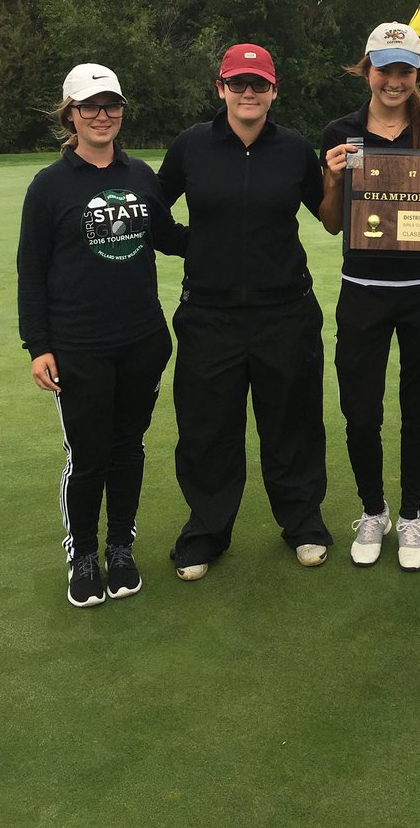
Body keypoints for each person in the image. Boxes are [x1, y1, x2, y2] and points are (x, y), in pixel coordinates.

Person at [158, 43, 332, 579]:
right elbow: (154, 214)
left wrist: (340, 181)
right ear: (221, 89)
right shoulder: (191, 146)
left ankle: (302, 524)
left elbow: (327, 217)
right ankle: (207, 530)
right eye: (238, 84)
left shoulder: (294, 148)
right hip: (209, 315)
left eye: (259, 85)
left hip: (286, 310)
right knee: (208, 428)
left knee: (293, 423)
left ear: (274, 90)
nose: (249, 93)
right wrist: (202, 245)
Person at [17, 63, 185, 608]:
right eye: (89, 106)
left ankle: (119, 548)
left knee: (126, 448)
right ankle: (83, 554)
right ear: (71, 114)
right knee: (88, 455)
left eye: (111, 105)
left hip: (141, 339)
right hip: (78, 346)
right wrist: (38, 345)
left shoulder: (140, 175)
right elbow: (32, 269)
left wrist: (234, 232)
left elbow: (166, 237)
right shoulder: (49, 185)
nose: (101, 115)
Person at [319, 24, 420, 571]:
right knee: (360, 409)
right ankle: (373, 511)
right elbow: (333, 223)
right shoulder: (343, 132)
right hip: (363, 290)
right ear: (368, 69)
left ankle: (410, 517)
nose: (394, 80)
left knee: (414, 410)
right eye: (385, 69)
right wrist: (332, 182)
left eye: (405, 70)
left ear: (417, 74)